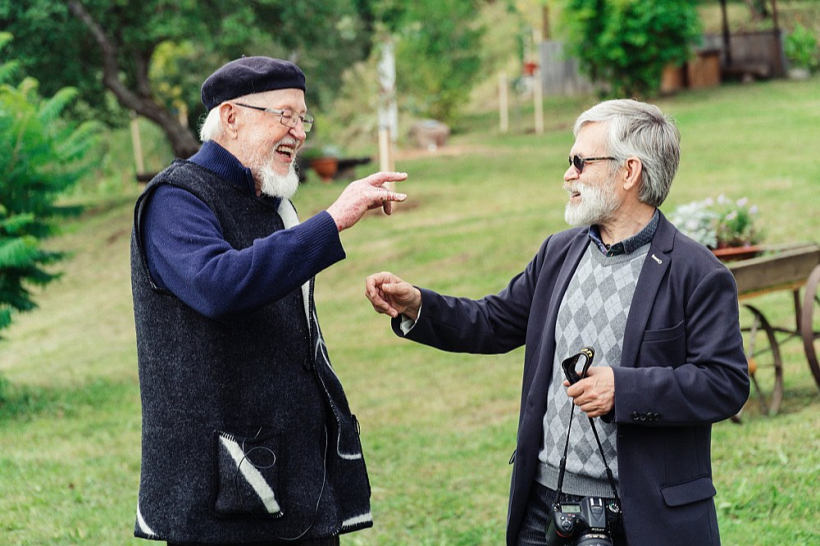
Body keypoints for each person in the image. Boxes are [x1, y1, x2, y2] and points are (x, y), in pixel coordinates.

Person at [365, 99, 748, 546]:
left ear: (629, 172)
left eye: (580, 162)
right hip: (544, 507)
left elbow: (725, 383)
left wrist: (623, 390)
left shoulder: (698, 273)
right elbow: (493, 321)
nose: (568, 174)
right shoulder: (558, 252)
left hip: (643, 518)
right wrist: (417, 305)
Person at [130, 56, 407, 546]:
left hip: (297, 474)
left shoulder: (276, 203)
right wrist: (333, 220)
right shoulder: (175, 199)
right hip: (216, 490)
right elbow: (219, 286)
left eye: (303, 118)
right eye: (284, 115)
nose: (299, 132)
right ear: (231, 116)